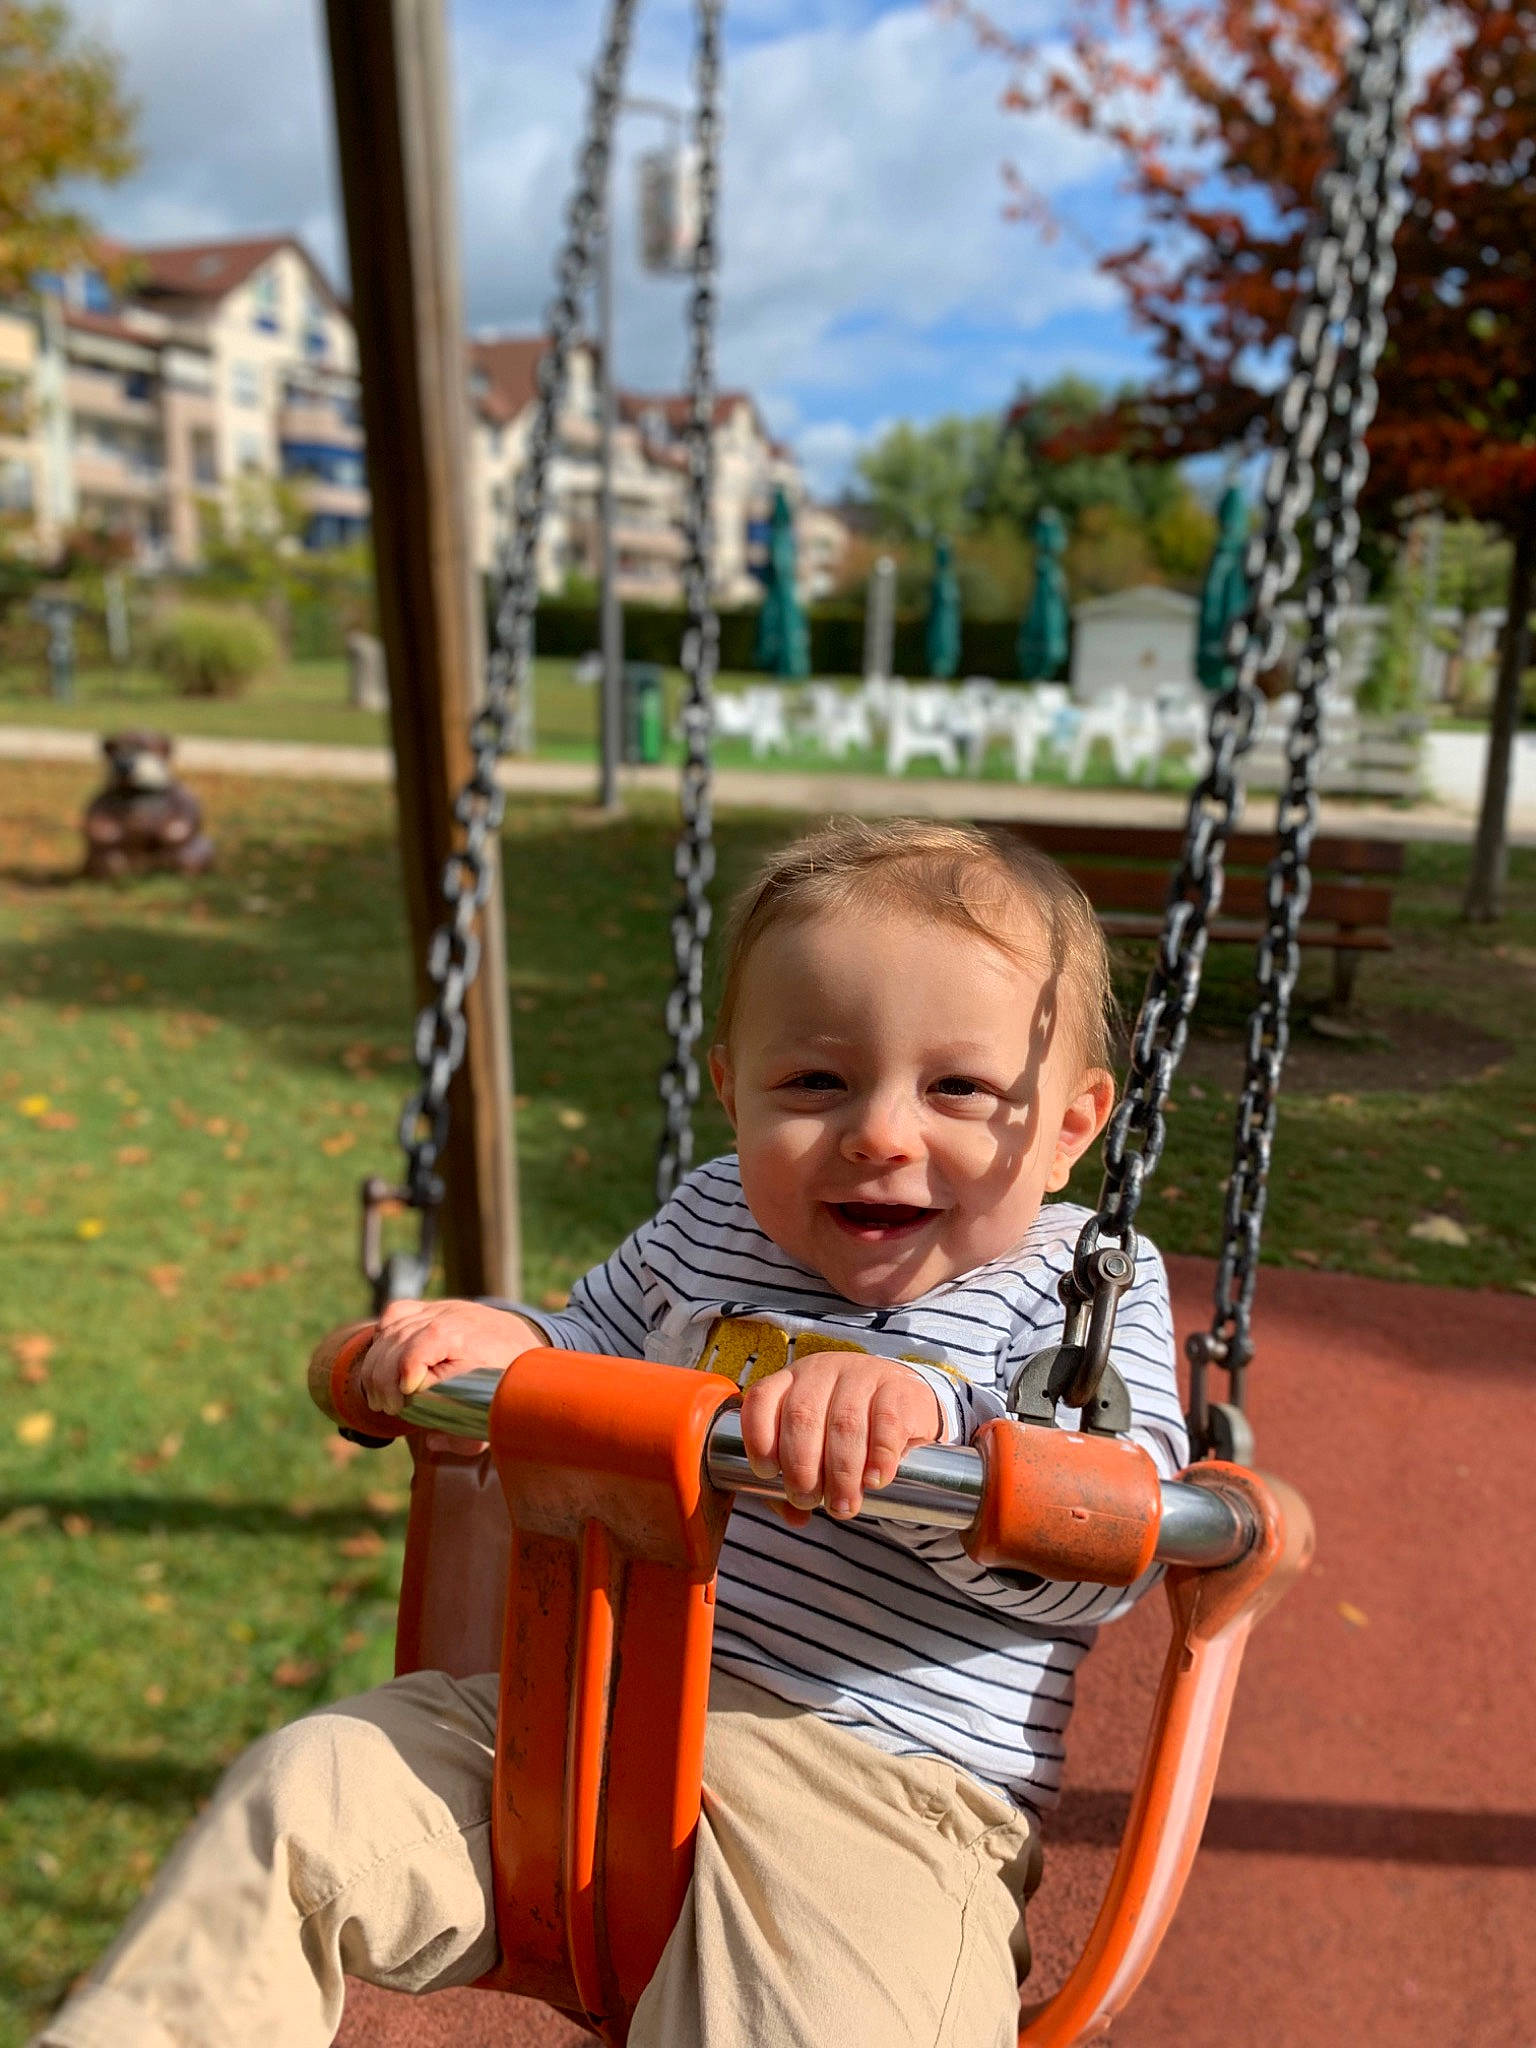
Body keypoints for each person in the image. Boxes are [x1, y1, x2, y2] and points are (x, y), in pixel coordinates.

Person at [34, 818, 1187, 2048]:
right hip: (593, 1718)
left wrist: (933, 1420)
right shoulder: (711, 1220)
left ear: (1071, 1125)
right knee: (304, 1795)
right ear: (732, 1088)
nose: (880, 1133)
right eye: (816, 1082)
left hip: (881, 1793)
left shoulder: (1078, 1287)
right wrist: (504, 1340)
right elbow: (586, 1342)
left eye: (957, 1087)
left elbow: (1111, 1549)